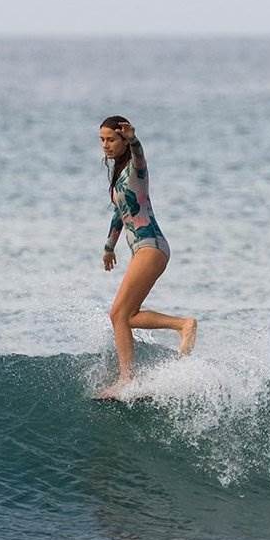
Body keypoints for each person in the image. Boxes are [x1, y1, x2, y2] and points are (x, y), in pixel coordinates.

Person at [95, 116, 196, 398]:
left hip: (150, 247)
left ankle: (127, 379)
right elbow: (120, 213)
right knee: (126, 316)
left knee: (117, 314)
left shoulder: (135, 169)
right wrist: (109, 247)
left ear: (123, 140)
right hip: (146, 249)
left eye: (111, 139)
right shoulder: (120, 176)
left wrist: (134, 140)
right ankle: (181, 325)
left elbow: (140, 156)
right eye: (102, 140)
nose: (106, 145)